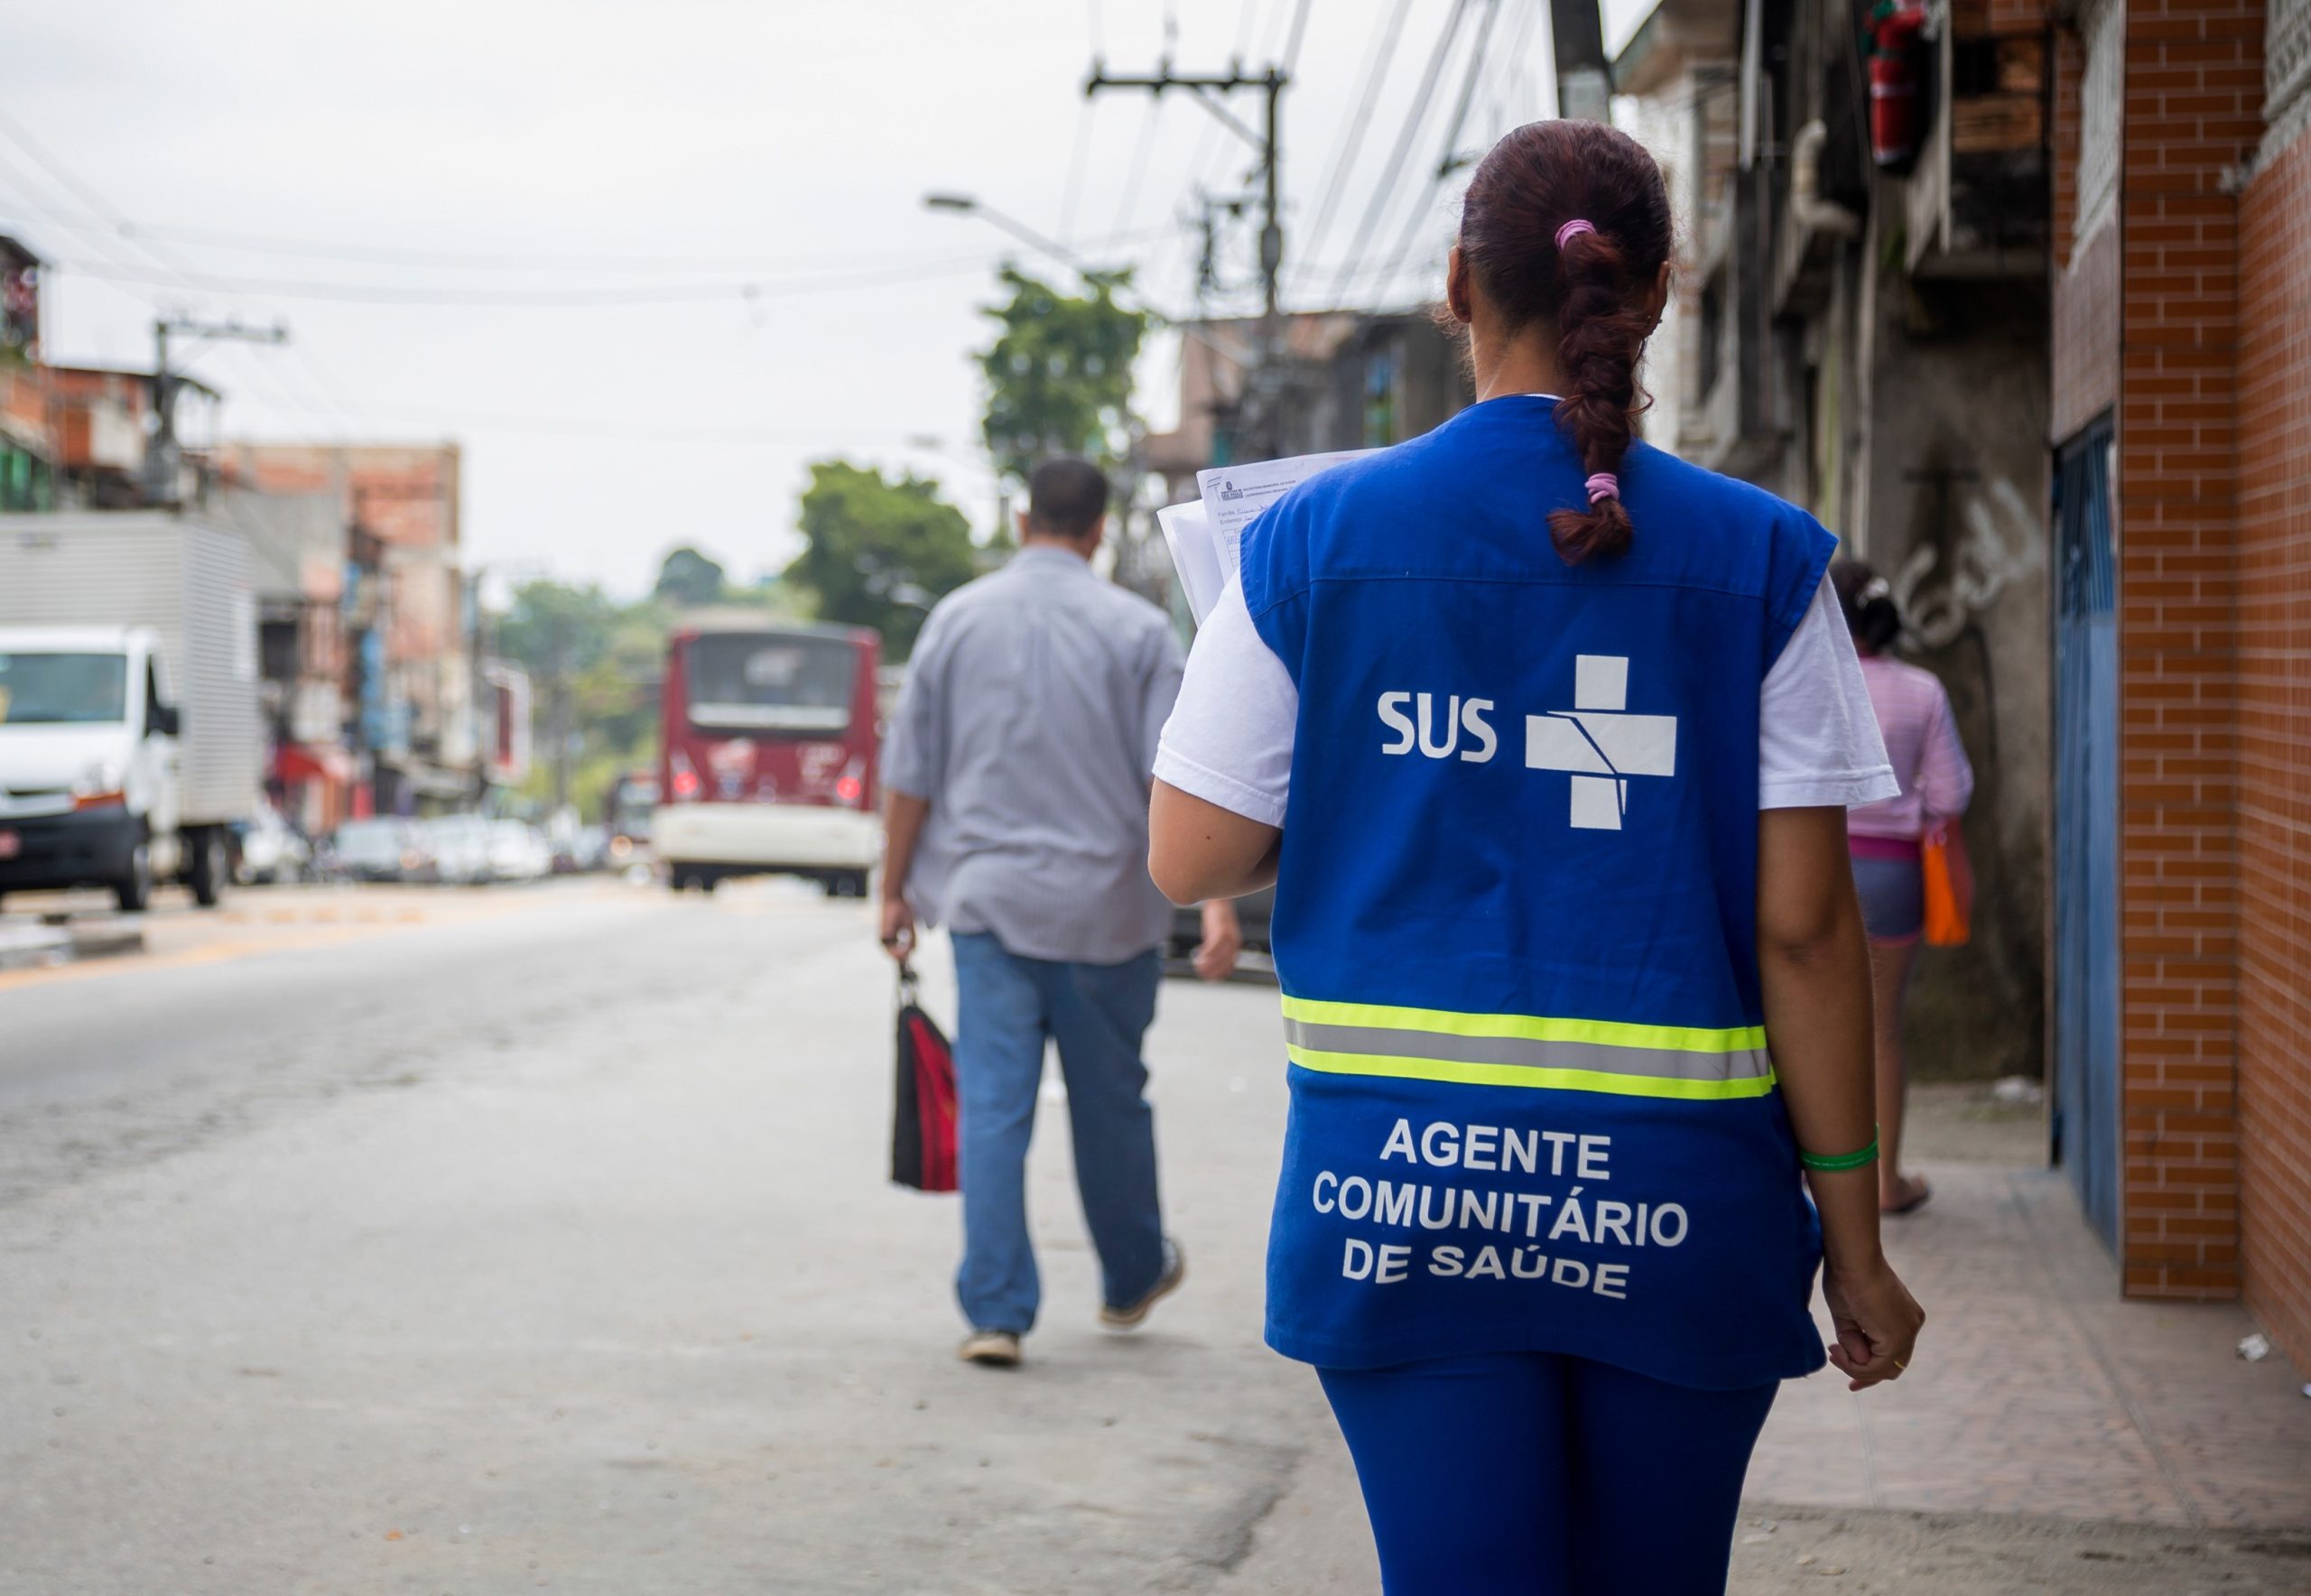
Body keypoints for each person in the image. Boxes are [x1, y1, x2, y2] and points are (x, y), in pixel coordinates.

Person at [1146, 120, 1925, 1595]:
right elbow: (1811, 937)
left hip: (1400, 1197)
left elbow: (1191, 855)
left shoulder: (1308, 546)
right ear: (1660, 294)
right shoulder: (1764, 560)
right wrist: (1857, 1241)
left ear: (1457, 285)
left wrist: (1385, 741)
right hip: (1682, 1203)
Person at [878, 457, 1240, 1369]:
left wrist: (891, 889)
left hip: (988, 906)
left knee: (994, 1107)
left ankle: (996, 1310)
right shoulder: (1138, 631)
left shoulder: (954, 622)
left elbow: (910, 775)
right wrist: (1221, 905)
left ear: (1019, 518)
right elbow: (1179, 779)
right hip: (1109, 917)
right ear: (1100, 531)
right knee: (1110, 1101)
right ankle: (1128, 1279)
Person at [1831, 559, 1976, 1217]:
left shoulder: (1811, 683)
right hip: (1895, 875)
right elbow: (1950, 794)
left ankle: (1810, 1179)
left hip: (1815, 869)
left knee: (1805, 1022)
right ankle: (1886, 1183)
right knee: (1881, 1030)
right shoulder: (1923, 690)